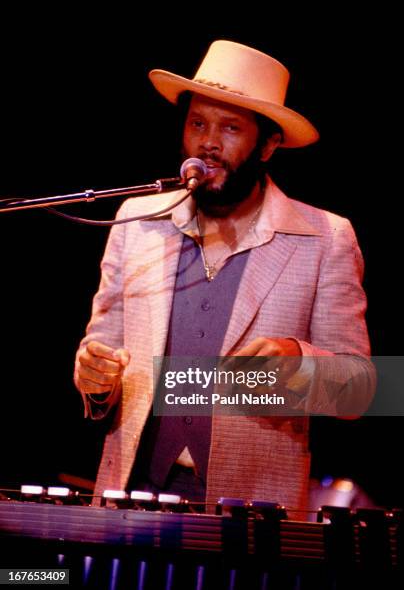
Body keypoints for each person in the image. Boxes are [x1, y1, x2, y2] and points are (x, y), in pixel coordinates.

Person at [74, 40, 375, 517]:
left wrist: (299, 360)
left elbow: (362, 388)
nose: (208, 143)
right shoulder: (137, 220)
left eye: (230, 128)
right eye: (198, 124)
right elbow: (103, 353)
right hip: (129, 500)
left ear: (269, 144)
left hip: (254, 512)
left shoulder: (325, 237)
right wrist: (94, 377)